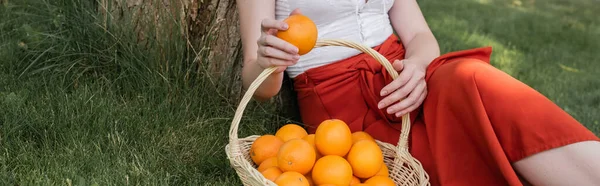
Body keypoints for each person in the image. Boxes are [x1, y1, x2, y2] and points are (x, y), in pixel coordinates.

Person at [236, 0, 600, 185]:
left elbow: (422, 37)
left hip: (404, 73)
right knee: (450, 146)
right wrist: (272, 60)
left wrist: (419, 68)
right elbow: (259, 85)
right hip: (341, 103)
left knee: (472, 77)